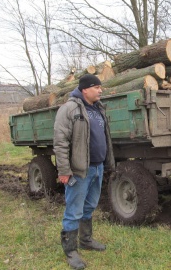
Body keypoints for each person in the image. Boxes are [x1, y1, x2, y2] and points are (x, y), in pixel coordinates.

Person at [54, 74, 115, 269]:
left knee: (90, 206)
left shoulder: (98, 108)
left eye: (100, 87)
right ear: (85, 89)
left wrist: (107, 163)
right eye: (96, 87)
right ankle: (70, 250)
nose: (100, 90)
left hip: (97, 167)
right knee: (74, 210)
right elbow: (60, 142)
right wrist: (64, 170)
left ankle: (86, 240)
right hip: (79, 170)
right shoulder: (69, 109)